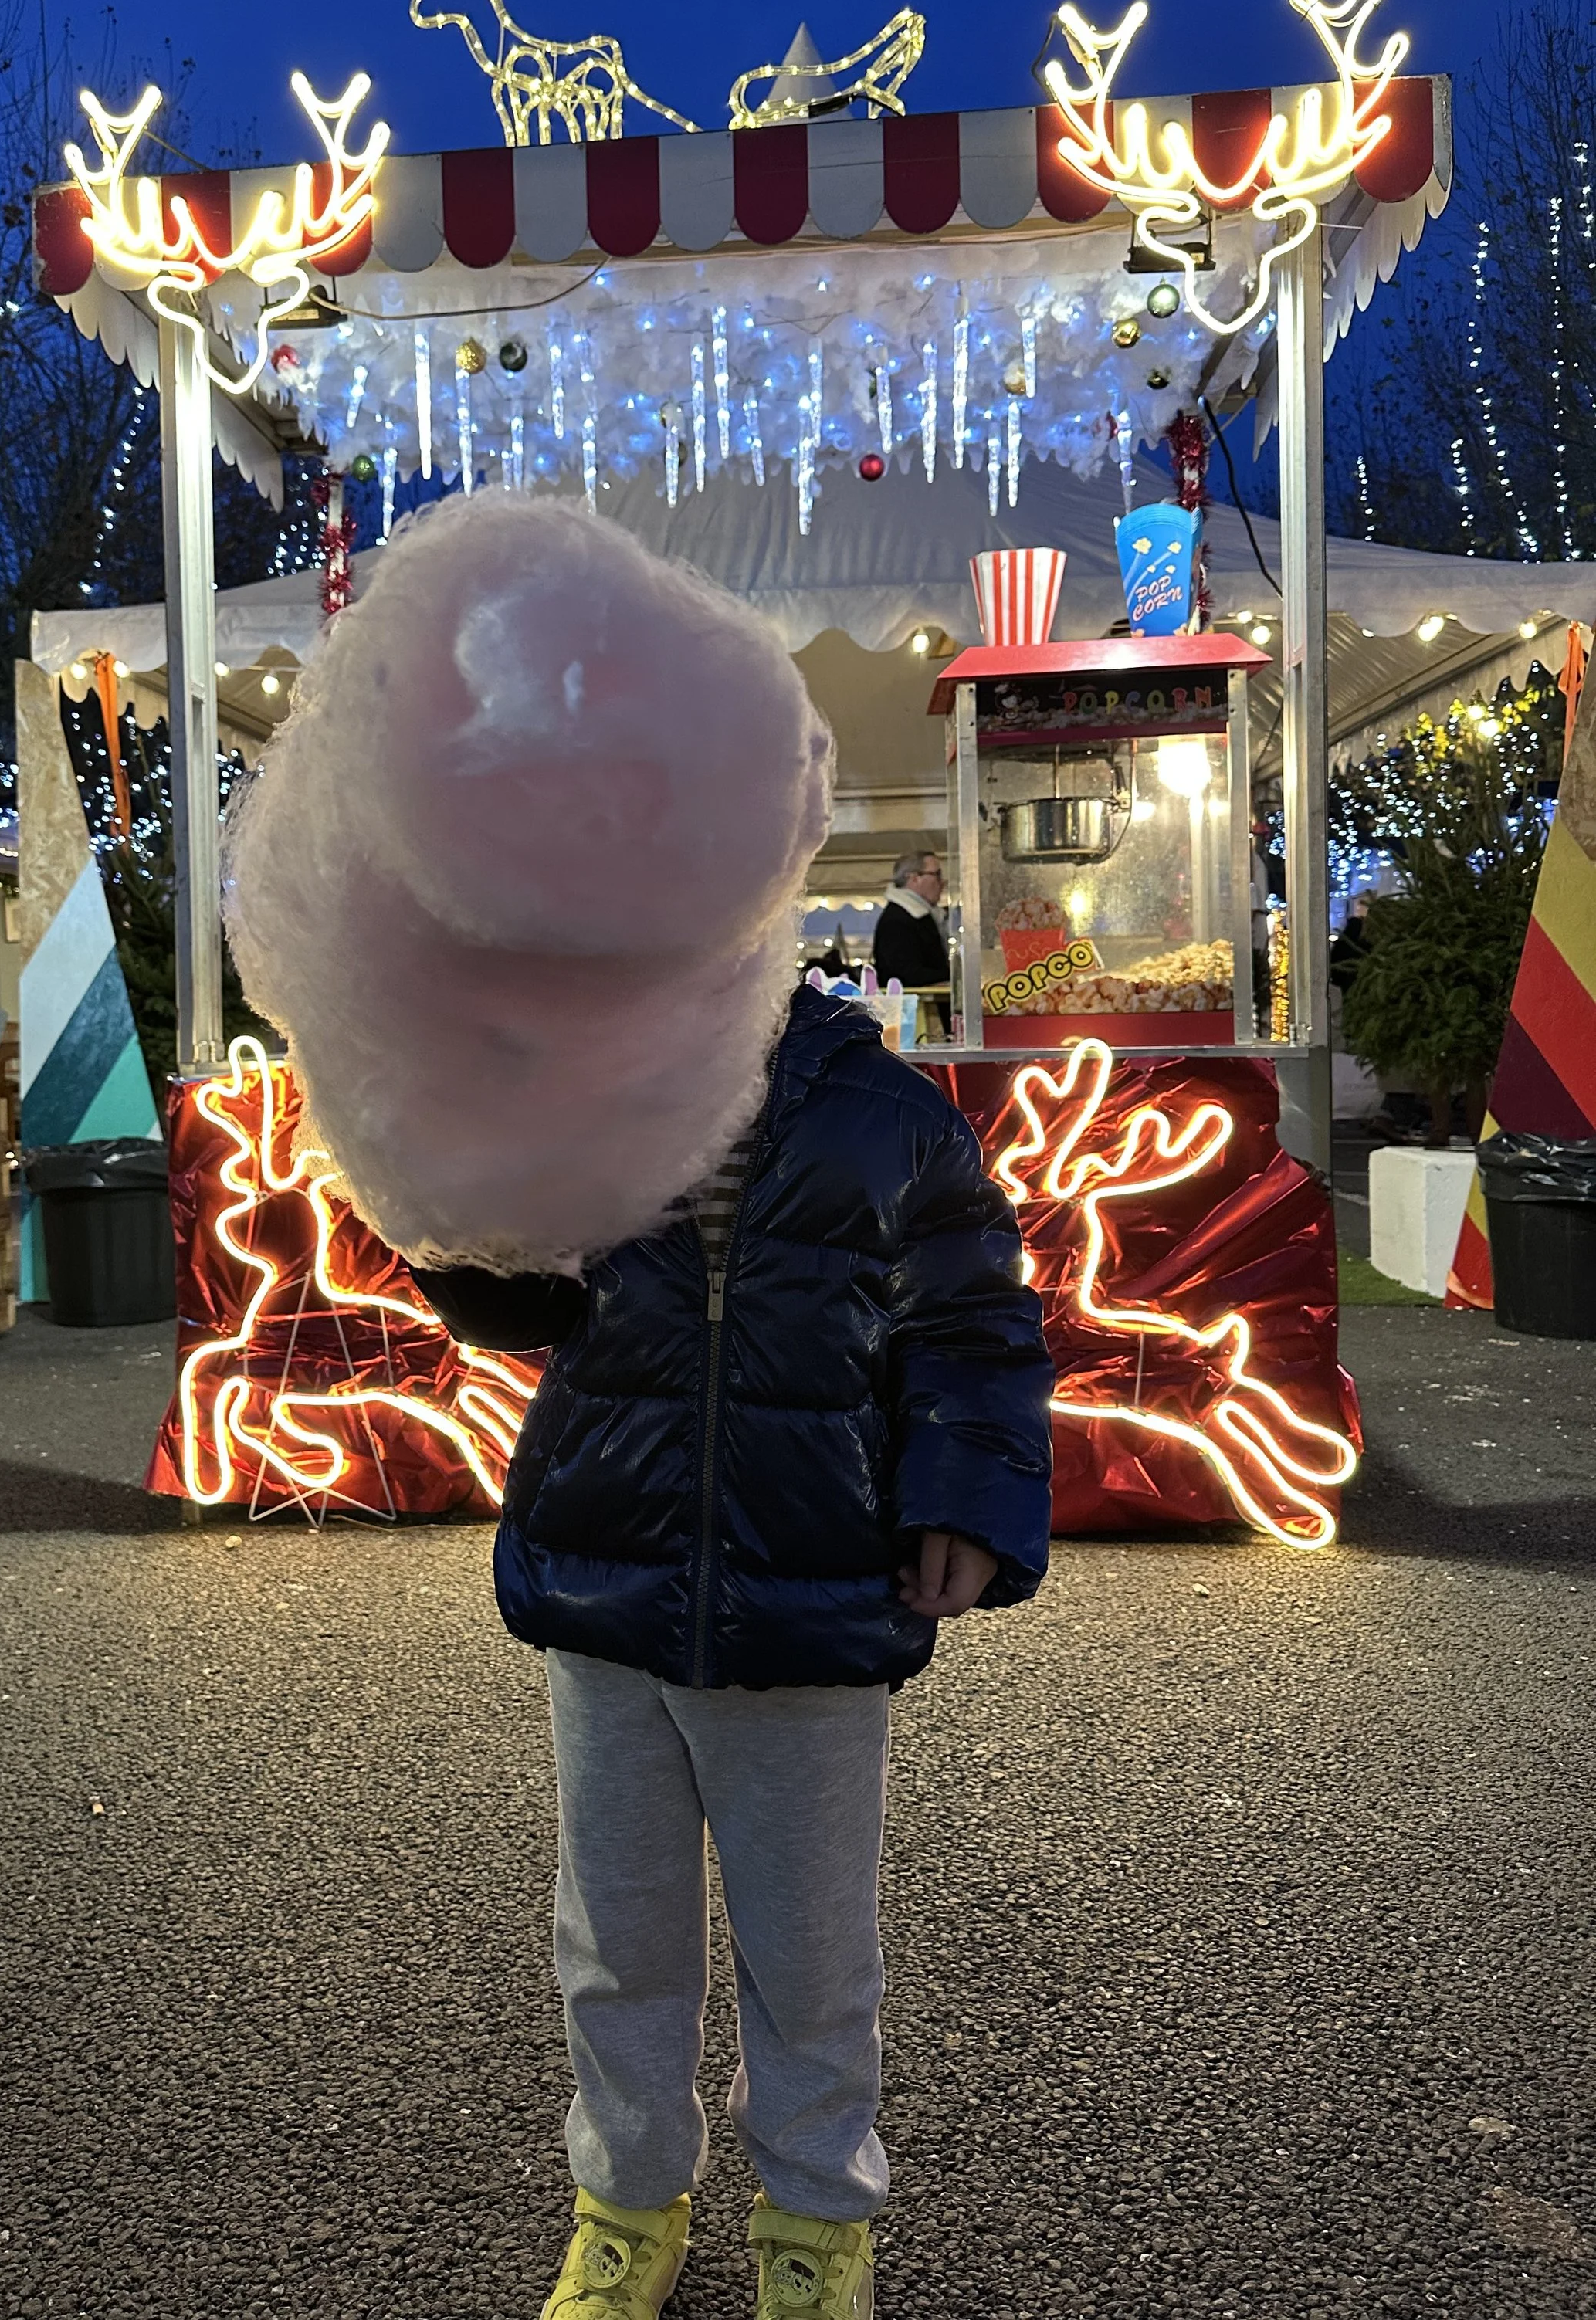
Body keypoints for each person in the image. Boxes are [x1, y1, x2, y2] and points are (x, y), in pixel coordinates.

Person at [418, 981, 1053, 2320]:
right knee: (615, 1937)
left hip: (812, 1590)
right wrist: (430, 1190)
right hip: (606, 1574)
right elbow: (507, 1305)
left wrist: (966, 1498)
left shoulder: (890, 1118)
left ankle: (818, 2219)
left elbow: (975, 1327)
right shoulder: (584, 1084)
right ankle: (627, 2203)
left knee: (813, 1954)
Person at [870, 851, 951, 1038]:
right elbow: (903, 973)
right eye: (937, 874)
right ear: (914, 879)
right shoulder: (898, 920)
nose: (942, 882)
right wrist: (953, 977)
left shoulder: (913, 916)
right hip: (915, 1023)